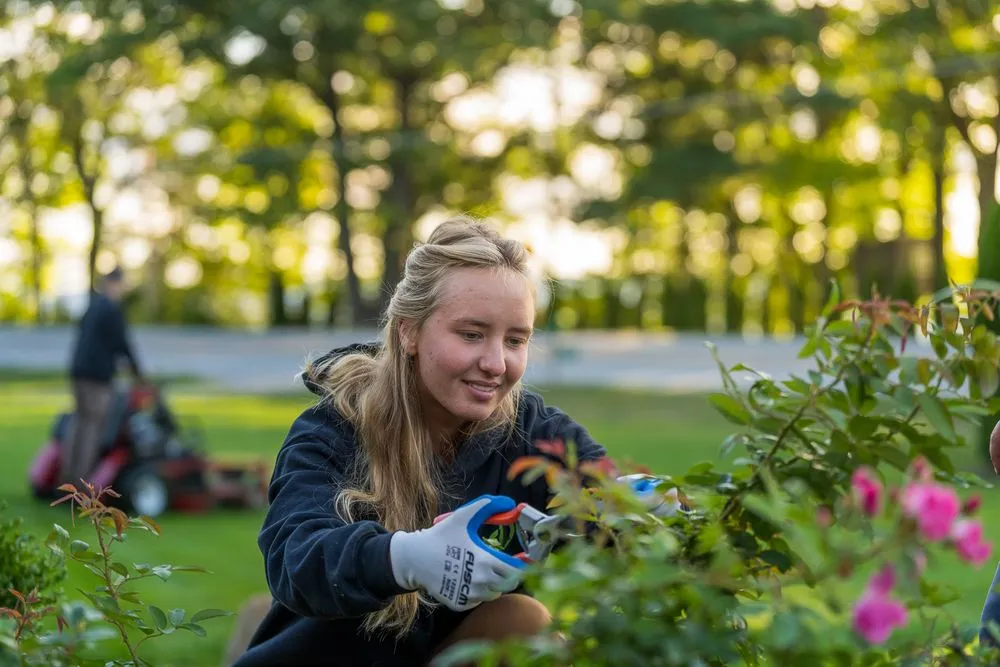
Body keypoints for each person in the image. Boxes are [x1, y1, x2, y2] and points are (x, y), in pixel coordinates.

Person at [235, 218, 671, 667]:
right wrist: (404, 558)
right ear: (408, 331)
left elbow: (603, 495)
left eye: (515, 340)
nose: (496, 363)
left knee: (521, 618)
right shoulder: (333, 429)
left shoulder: (535, 431)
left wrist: (645, 516)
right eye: (471, 334)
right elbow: (296, 558)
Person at [64, 266, 144, 486]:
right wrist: (139, 374)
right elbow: (123, 344)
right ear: (116, 283)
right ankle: (80, 482)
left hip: (79, 371)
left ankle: (67, 478)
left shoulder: (92, 306)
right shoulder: (111, 309)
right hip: (97, 377)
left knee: (79, 422)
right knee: (93, 425)